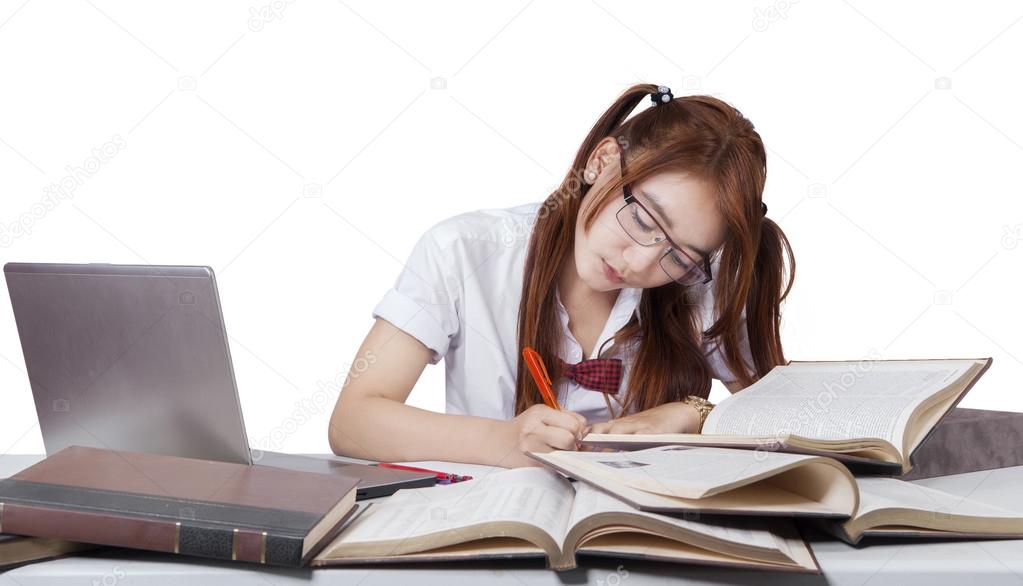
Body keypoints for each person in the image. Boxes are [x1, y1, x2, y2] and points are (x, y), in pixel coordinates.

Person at [328, 83, 795, 467]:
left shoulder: (699, 283)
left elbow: (792, 422)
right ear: (602, 161)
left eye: (679, 257)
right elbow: (353, 421)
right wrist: (504, 442)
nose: (641, 262)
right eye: (643, 222)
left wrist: (693, 412)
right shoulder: (465, 252)